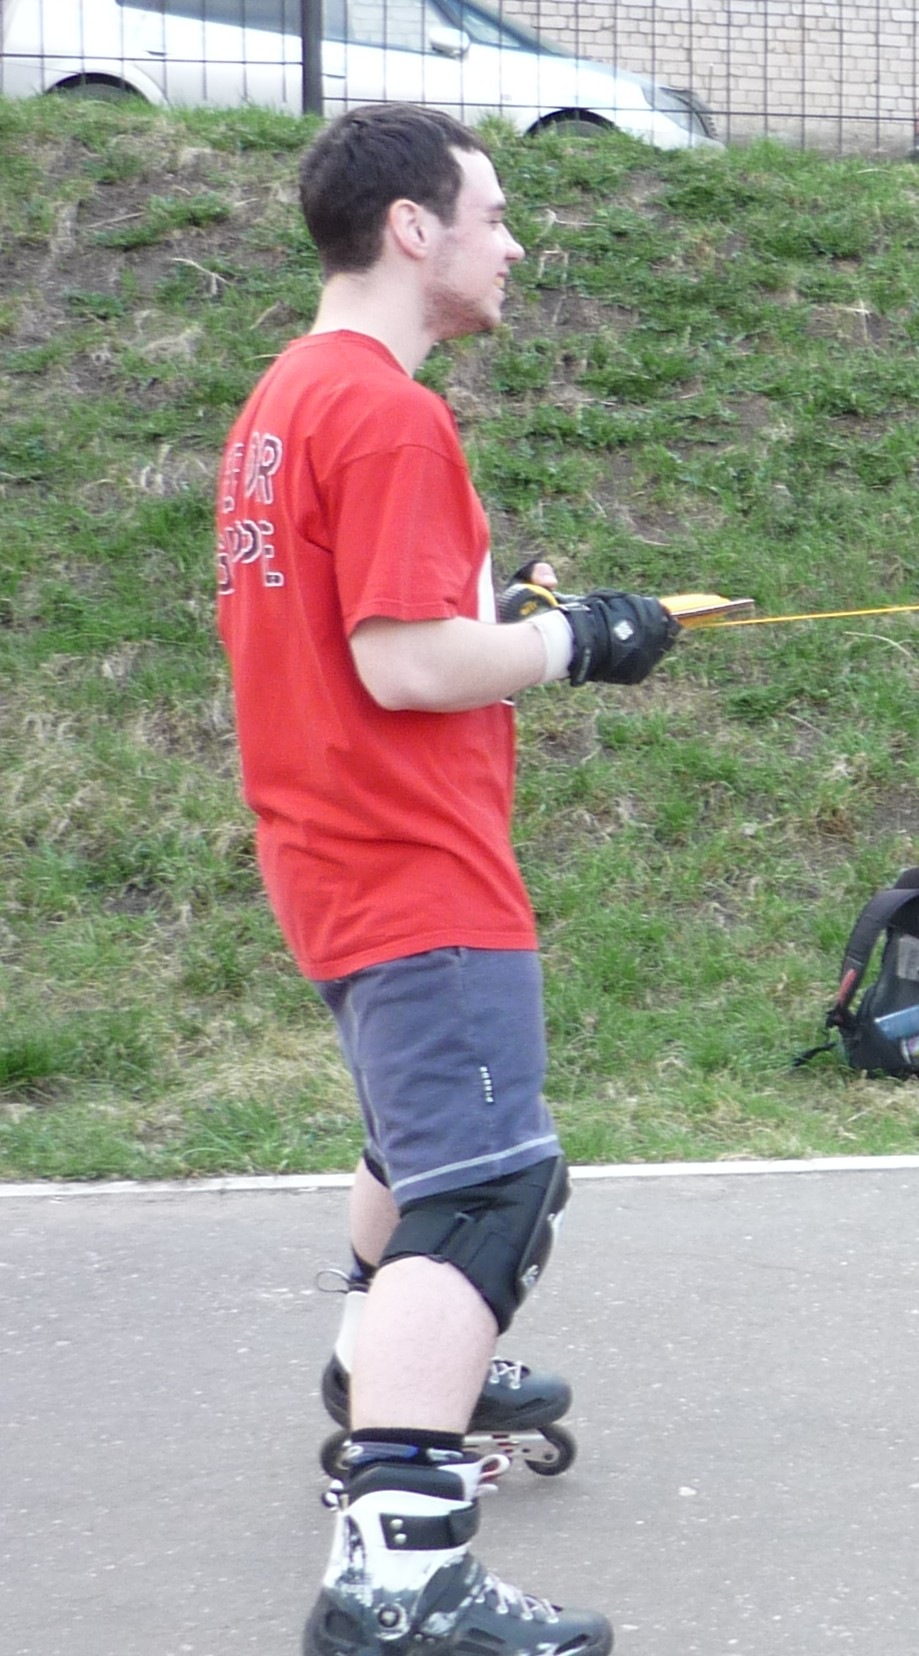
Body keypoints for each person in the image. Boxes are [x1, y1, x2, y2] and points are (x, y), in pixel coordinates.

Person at [216, 102, 679, 1656]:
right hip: (414, 864)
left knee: (414, 1143)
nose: (514, 244)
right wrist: (579, 641)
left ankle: (384, 1374)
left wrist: (507, 610)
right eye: (491, 215)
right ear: (413, 229)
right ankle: (403, 1572)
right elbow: (408, 664)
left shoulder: (288, 397)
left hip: (328, 850)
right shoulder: (389, 412)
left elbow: (368, 622)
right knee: (487, 1190)